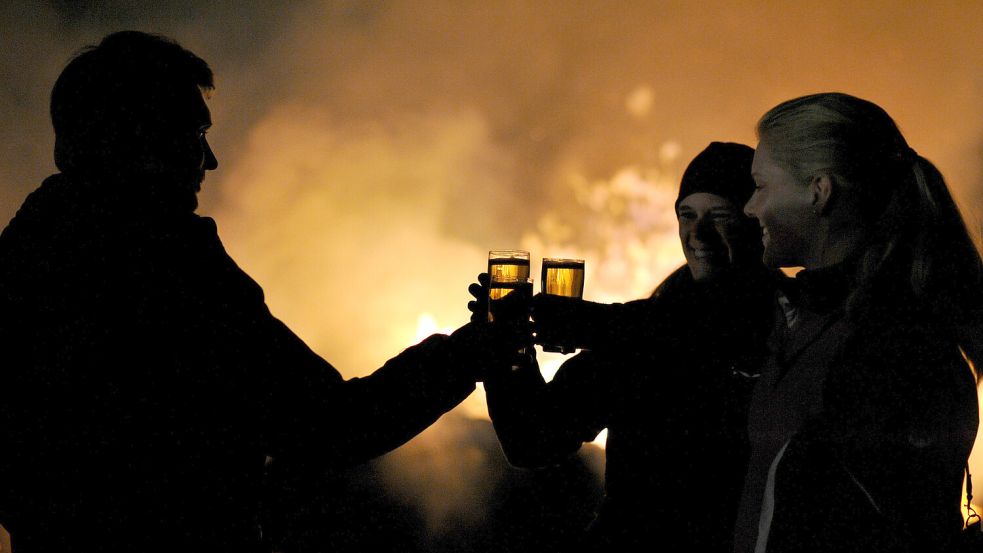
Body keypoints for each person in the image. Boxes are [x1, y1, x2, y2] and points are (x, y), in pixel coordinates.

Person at [0, 31, 520, 553]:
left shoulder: (25, 254)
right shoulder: (174, 270)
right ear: (141, 136)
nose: (209, 160)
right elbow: (324, 424)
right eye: (194, 132)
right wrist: (465, 356)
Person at [472, 142, 779, 552]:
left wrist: (594, 324)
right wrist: (506, 350)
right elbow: (533, 440)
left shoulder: (791, 318)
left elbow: (711, 339)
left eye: (720, 217)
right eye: (687, 215)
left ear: (755, 221)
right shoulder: (642, 328)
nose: (698, 234)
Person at [734, 92, 982, 553]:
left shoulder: (893, 348)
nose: (749, 207)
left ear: (819, 191)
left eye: (761, 185)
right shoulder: (813, 321)